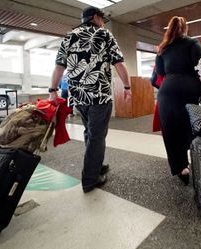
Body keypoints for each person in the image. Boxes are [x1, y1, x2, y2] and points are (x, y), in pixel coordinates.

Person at [50, 6, 132, 193]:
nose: (103, 23)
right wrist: (127, 87)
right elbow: (119, 63)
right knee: (97, 136)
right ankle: (90, 179)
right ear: (95, 17)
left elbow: (59, 67)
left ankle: (97, 165)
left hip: (79, 97)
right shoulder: (104, 35)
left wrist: (52, 90)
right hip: (99, 96)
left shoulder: (69, 36)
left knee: (91, 132)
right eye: (102, 19)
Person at [152, 16, 201, 185]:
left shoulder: (163, 48)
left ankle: (182, 168)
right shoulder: (192, 43)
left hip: (166, 93)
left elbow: (160, 73)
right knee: (191, 127)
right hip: (188, 91)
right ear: (185, 29)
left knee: (171, 131)